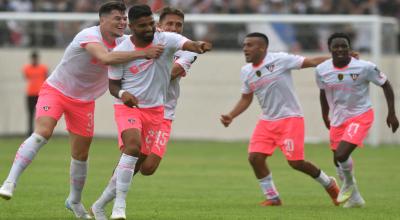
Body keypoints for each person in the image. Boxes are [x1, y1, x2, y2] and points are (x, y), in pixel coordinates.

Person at [0, 1, 164, 219]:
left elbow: (152, 38)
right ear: (102, 20)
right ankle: (9, 182)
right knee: (44, 132)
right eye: (117, 18)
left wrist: (161, 32)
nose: (123, 22)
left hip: (84, 102)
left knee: (80, 154)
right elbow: (105, 57)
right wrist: (143, 53)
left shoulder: (125, 42)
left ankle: (74, 201)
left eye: (125, 19)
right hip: (56, 91)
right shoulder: (89, 36)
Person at [90, 4, 211, 220]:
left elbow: (187, 45)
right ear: (132, 26)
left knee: (143, 164)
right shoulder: (121, 52)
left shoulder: (168, 41)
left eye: (151, 24)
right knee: (133, 148)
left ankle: (99, 205)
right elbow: (114, 86)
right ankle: (120, 205)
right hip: (129, 107)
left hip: (158, 110)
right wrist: (123, 94)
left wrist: (198, 45)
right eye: (143, 25)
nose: (148, 29)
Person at [220, 32, 340, 207]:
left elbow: (312, 62)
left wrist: (339, 58)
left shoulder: (280, 59)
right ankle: (273, 197)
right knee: (255, 158)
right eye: (244, 45)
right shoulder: (246, 71)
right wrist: (231, 115)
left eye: (250, 45)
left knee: (296, 162)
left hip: (291, 118)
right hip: (267, 121)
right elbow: (246, 98)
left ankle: (329, 184)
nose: (245, 49)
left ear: (262, 47)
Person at [316, 32, 399, 208]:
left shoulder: (364, 67)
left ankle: (348, 185)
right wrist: (325, 114)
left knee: (341, 154)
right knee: (337, 160)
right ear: (329, 49)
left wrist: (392, 113)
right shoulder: (321, 69)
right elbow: (323, 92)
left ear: (349, 48)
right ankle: (355, 199)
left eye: (343, 46)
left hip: (361, 115)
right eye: (336, 46)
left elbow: (386, 84)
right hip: (338, 118)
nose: (340, 49)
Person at [22, 50, 48, 136]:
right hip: (30, 94)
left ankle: (40, 131)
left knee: (41, 114)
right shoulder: (26, 68)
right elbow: (26, 77)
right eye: (33, 58)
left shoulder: (43, 68)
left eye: (35, 58)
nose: (34, 60)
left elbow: (46, 77)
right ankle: (29, 133)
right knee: (30, 114)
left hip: (40, 94)